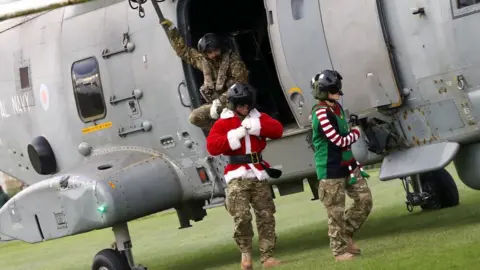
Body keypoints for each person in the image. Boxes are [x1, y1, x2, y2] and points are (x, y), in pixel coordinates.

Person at [206, 82, 284, 269]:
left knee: (266, 216)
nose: (244, 108)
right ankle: (246, 254)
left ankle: (267, 256)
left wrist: (257, 127)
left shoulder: (259, 118)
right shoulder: (224, 122)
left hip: (258, 173)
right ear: (233, 104)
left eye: (247, 104)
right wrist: (236, 135)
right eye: (240, 105)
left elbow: (277, 130)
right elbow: (212, 146)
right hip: (236, 174)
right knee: (241, 216)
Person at [309, 70, 373, 261]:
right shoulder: (321, 113)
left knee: (365, 200)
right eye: (334, 89)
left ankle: (346, 235)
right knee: (335, 212)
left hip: (348, 165)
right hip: (330, 169)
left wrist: (351, 132)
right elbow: (339, 140)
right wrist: (356, 132)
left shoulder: (335, 108)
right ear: (323, 92)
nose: (338, 91)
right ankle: (339, 251)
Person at [160, 18, 249, 130]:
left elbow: (241, 84)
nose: (213, 55)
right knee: (195, 117)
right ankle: (221, 131)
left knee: (239, 123)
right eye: (209, 52)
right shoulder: (203, 61)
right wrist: (172, 30)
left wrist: (220, 101)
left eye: (216, 50)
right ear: (205, 53)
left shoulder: (233, 61)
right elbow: (182, 50)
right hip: (216, 105)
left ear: (220, 48)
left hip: (236, 103)